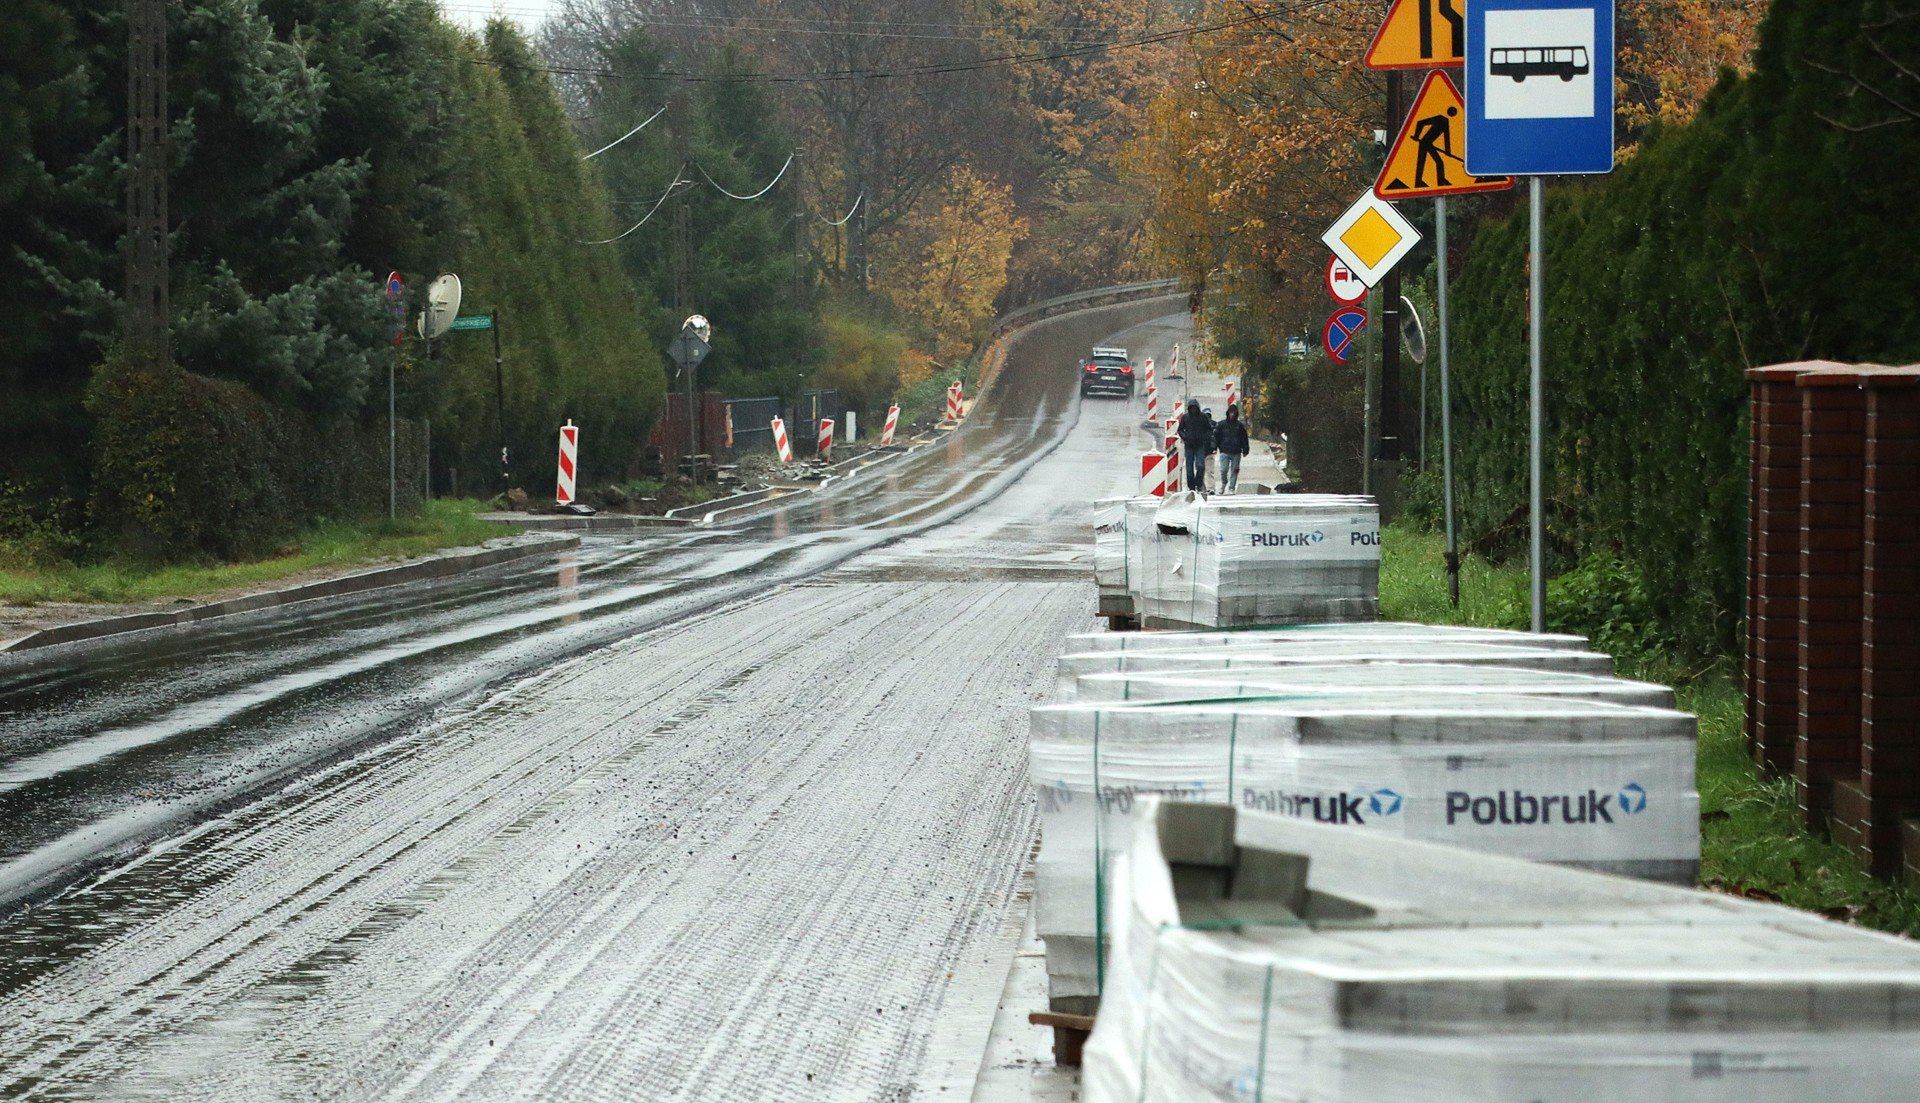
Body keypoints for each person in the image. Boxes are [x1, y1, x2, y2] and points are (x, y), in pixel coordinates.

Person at [1177, 398, 1214, 492]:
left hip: (1200, 445)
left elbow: (1209, 429)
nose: (1193, 410)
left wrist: (1204, 437)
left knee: (1201, 466)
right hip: (1189, 445)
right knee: (1189, 469)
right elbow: (1180, 429)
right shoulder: (1185, 417)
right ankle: (1191, 487)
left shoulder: (1203, 417)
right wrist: (1185, 437)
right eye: (1191, 408)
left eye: (1194, 408)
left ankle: (1198, 483)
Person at [1215, 403, 1251, 493]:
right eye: (1231, 412)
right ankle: (1224, 483)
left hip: (1236, 451)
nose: (1232, 414)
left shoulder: (1239, 426)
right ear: (1228, 413)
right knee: (1223, 470)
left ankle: (1231, 487)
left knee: (1235, 470)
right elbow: (1216, 437)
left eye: (1234, 413)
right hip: (1224, 451)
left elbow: (1244, 438)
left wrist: (1245, 449)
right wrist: (1215, 447)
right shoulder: (1221, 424)